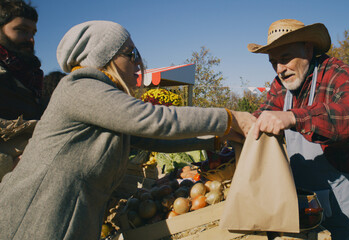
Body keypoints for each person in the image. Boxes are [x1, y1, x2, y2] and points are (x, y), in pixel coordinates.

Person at [0, 20, 255, 240]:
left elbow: (154, 137)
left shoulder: (105, 102)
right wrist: (228, 118)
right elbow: (152, 119)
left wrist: (215, 139)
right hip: (33, 220)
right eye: (131, 53)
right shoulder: (80, 88)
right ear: (104, 57)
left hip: (65, 220)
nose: (139, 62)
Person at [249, 19, 349, 239]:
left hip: (344, 194)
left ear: (308, 49)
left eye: (286, 58)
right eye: (273, 62)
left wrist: (293, 117)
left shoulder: (338, 73)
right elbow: (263, 115)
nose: (280, 69)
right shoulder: (281, 85)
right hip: (302, 196)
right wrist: (236, 125)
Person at [0, 0, 43, 180]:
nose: (30, 39)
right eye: (21, 30)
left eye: (33, 32)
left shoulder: (30, 78)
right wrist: (9, 165)